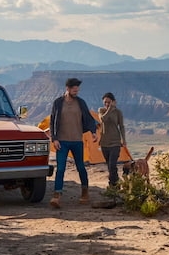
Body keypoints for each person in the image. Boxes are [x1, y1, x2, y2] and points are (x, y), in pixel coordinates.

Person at [48, 77, 99, 208]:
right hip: (62, 141)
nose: (76, 92)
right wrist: (54, 138)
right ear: (68, 89)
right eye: (74, 90)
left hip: (77, 141)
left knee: (81, 167)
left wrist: (93, 131)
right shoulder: (58, 103)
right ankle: (57, 195)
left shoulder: (81, 102)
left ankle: (85, 191)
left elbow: (88, 118)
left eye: (77, 90)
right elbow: (53, 120)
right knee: (60, 169)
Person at [98, 92, 127, 188]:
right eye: (105, 102)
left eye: (108, 102)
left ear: (113, 102)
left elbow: (121, 126)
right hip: (104, 142)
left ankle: (112, 185)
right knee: (109, 166)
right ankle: (116, 182)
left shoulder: (118, 112)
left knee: (112, 164)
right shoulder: (101, 110)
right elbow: (103, 119)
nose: (106, 104)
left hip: (115, 142)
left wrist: (124, 140)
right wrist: (110, 108)